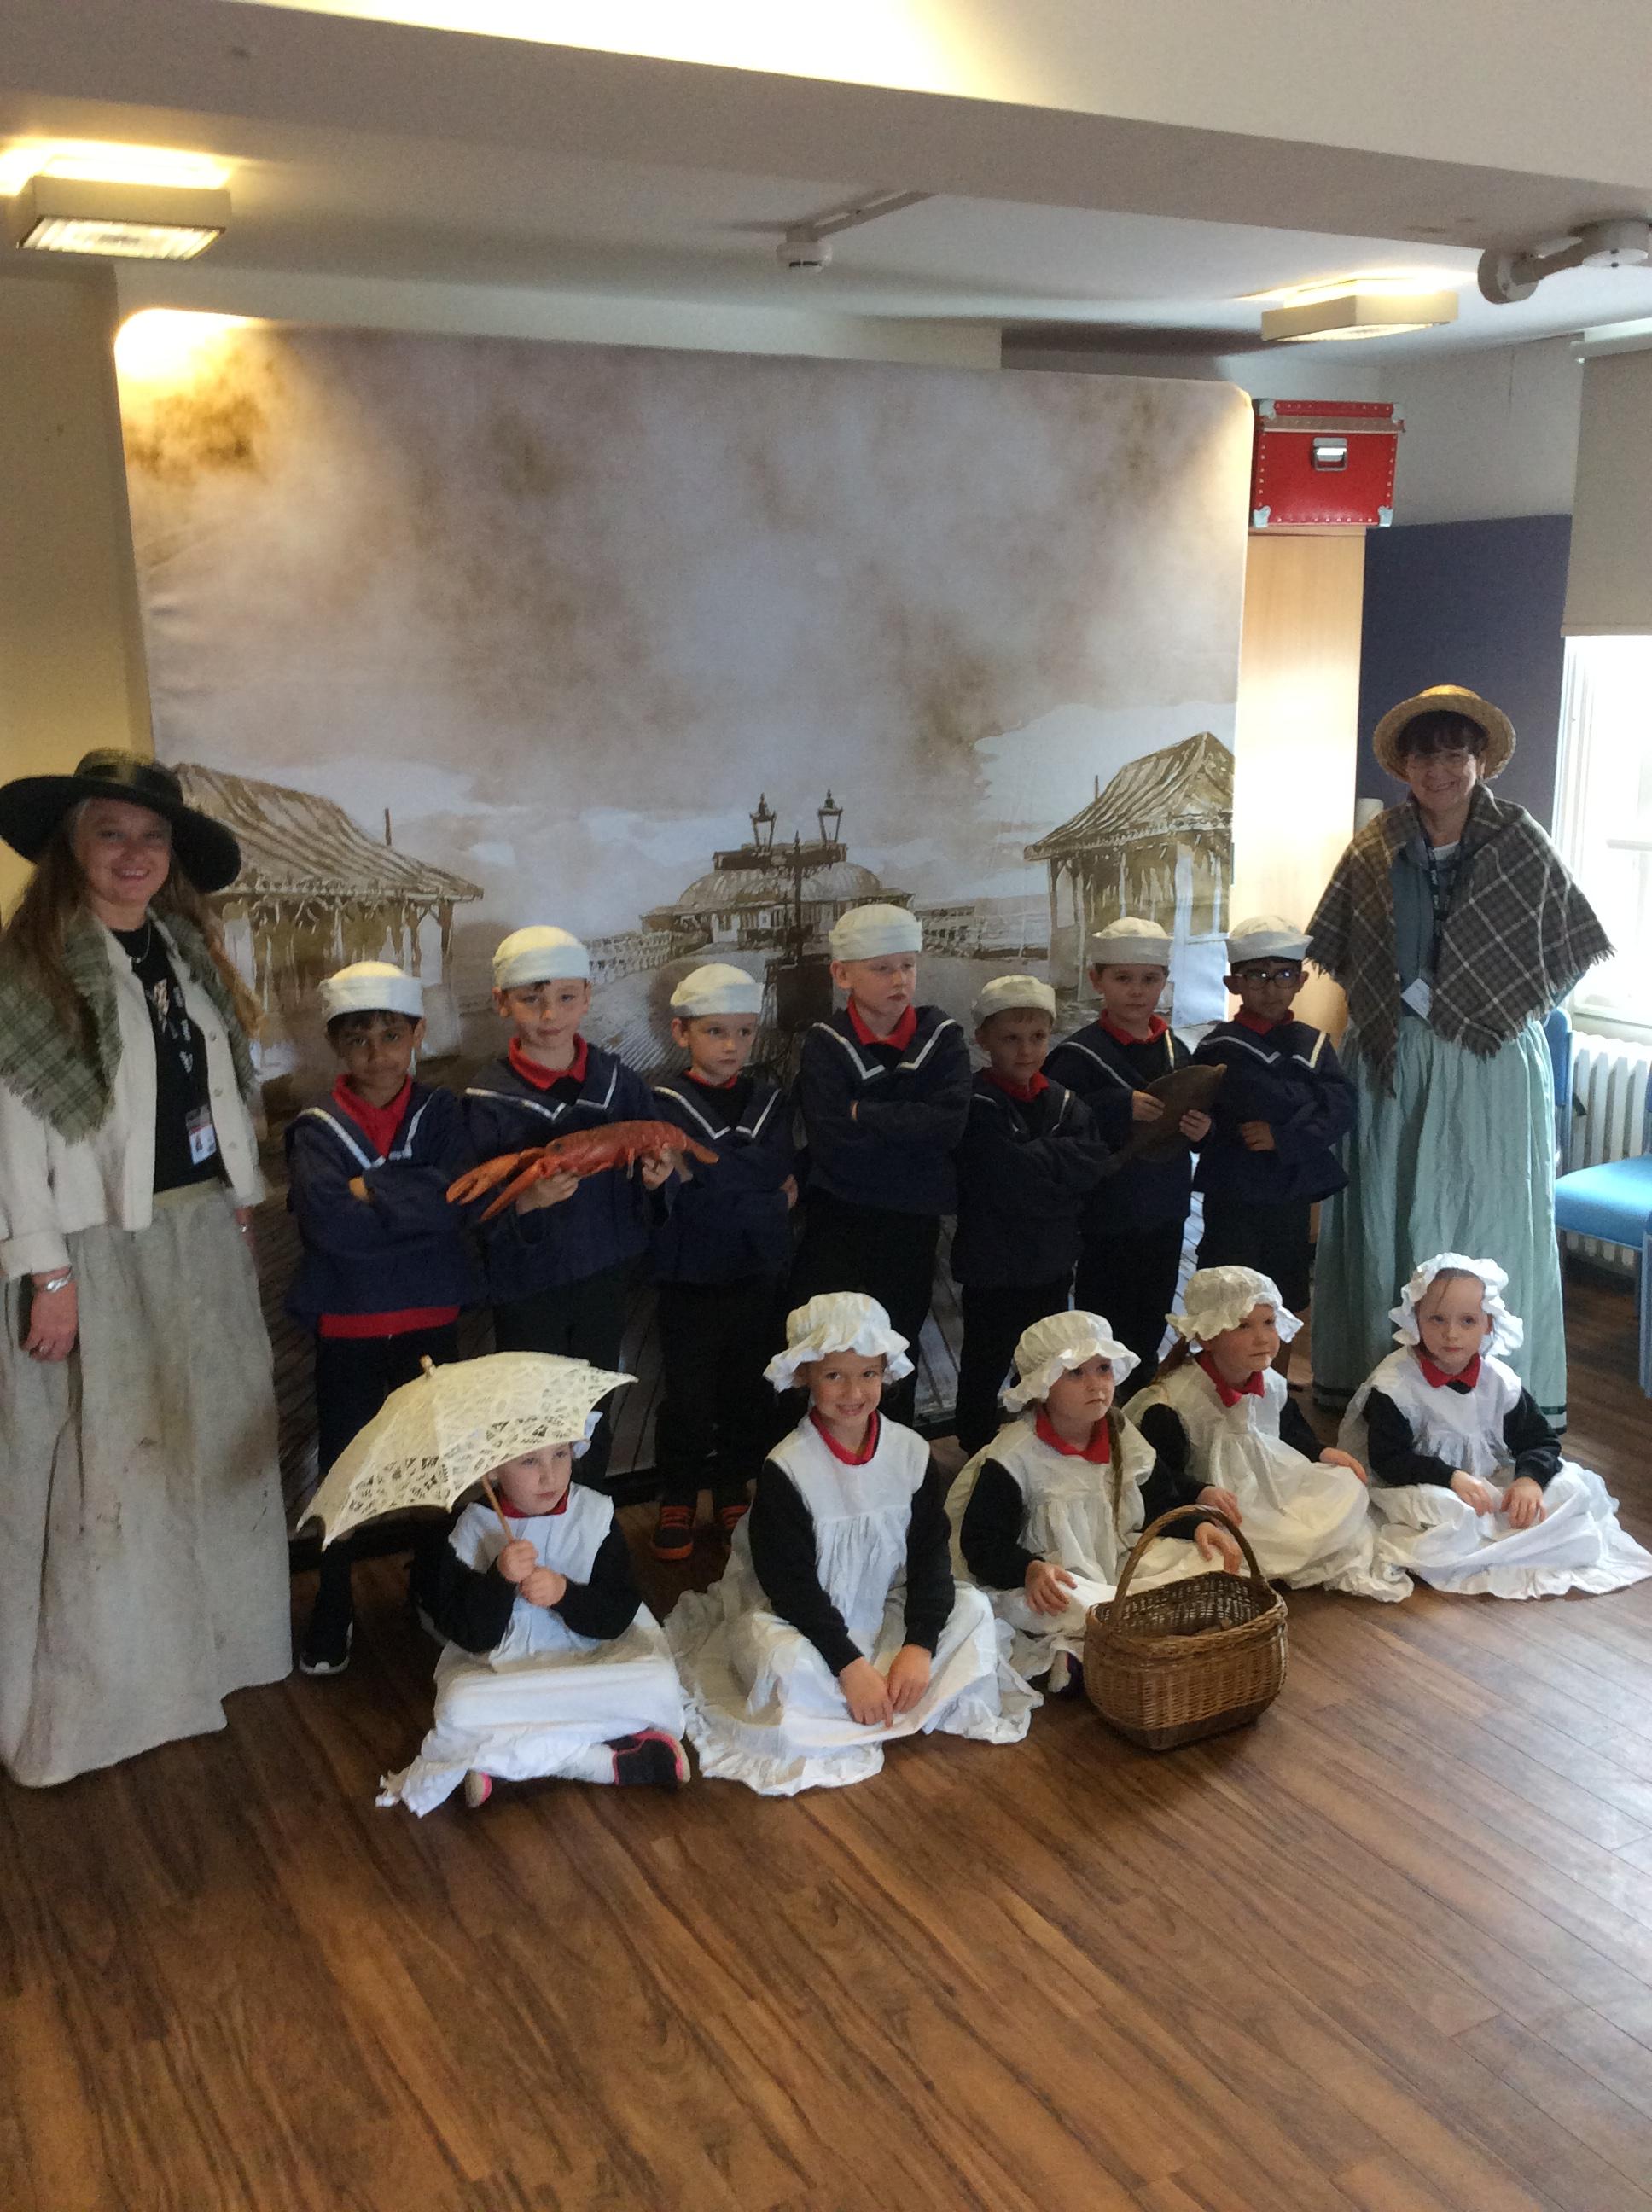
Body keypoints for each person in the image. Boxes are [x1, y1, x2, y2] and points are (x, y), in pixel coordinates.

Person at [0, 748, 289, 1786]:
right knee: (110, 1468)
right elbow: (13, 1143)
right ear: (71, 847)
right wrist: (48, 1274)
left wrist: (239, 1207)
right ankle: (105, 1702)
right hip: (97, 1250)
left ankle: (210, 1660)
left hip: (197, 1234)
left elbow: (215, 1100)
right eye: (110, 833)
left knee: (202, 1451)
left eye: (152, 837)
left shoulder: (183, 956)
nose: (134, 854)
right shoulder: (32, 975)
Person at [1307, 686, 1609, 1423]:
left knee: (1485, 1208)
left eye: (1454, 755)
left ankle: (1496, 1393)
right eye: (1423, 757)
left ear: (1480, 760)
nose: (1438, 771)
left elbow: (1568, 947)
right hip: (1393, 1054)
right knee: (1387, 1205)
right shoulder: (1376, 843)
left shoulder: (1519, 840)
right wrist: (1401, 1002)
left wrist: (1501, 1007)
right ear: (1403, 765)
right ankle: (1381, 1388)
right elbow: (1346, 945)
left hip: (1489, 1061)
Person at [666, 1294, 1034, 1795]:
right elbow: (790, 1586)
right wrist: (848, 1665)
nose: (854, 1392)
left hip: (886, 1604)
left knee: (972, 1609)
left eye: (868, 1374)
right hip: (807, 1622)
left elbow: (930, 1556)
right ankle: (871, 1696)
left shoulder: (911, 1453)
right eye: (835, 1376)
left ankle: (881, 1694)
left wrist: (919, 1645)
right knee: (783, 1660)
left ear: (886, 1373)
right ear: (805, 1375)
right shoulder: (787, 1467)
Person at [286, 960, 482, 1674]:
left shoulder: (442, 1112)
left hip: (430, 1314)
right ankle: (334, 1599)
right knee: (348, 1468)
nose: (377, 1053)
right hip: (350, 1322)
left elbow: (457, 1198)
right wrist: (410, 1202)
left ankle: (430, 1579)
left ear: (417, 1034)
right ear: (336, 1044)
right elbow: (328, 1226)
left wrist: (371, 1191)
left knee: (435, 1461)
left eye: (392, 1035)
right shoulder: (316, 1127)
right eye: (359, 1039)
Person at [376, 1369, 688, 1815]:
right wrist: (499, 1580)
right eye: (529, 1461)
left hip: (593, 1661)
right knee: (460, 1706)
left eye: (560, 1454)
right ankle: (604, 1760)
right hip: (507, 1672)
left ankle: (501, 1759)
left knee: (658, 1682)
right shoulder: (472, 1530)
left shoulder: (595, 1515)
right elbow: (471, 1635)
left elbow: (617, 1613)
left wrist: (565, 1594)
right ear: (493, 1469)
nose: (550, 1475)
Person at [462, 925, 673, 1484]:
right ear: (502, 1002)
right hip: (529, 1286)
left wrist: (657, 1177)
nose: (550, 1014)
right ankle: (536, 1521)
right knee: (531, 1414)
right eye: (530, 999)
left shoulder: (619, 1082)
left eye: (565, 997)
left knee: (594, 1404)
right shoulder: (486, 1097)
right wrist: (527, 1201)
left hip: (605, 1273)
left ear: (586, 997)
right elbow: (471, 1207)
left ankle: (591, 1513)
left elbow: (657, 1157)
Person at [948, 1310, 1242, 1691]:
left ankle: (1110, 1642)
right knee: (1075, 1605)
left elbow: (1158, 1499)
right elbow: (982, 1543)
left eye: (1103, 1369)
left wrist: (1195, 1524)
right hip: (1056, 1579)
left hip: (1117, 1559)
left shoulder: (1119, 1431)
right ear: (1042, 1384)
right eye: (1076, 1373)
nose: (1096, 1385)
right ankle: (1094, 1646)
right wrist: (1029, 1569)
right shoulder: (1014, 1456)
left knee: (1211, 1559)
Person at [1340, 1254, 1652, 1599]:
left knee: (1570, 1488)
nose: (1451, 1334)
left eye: (1468, 1321)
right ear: (1415, 1319)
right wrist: (1450, 1477)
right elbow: (1389, 1460)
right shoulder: (1395, 1386)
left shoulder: (1499, 1381)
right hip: (1422, 1482)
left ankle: (1504, 1540)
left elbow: (1541, 1440)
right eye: (1437, 1319)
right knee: (1452, 1514)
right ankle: (1504, 1543)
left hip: (1487, 1479)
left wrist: (1529, 1480)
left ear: (1489, 1324)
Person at [790, 905, 971, 1426]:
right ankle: (822, 1452)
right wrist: (911, 1140)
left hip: (910, 1225)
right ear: (842, 974)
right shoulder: (825, 1043)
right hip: (841, 1219)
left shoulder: (942, 1036)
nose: (899, 980)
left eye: (908, 965)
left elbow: (949, 1127)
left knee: (898, 1342)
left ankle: (894, 1449)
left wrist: (865, 1112)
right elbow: (832, 1143)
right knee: (829, 1342)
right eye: (882, 968)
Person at [1130, 1267, 1410, 1601]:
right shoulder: (1173, 1404)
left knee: (1346, 1484)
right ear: (1208, 1336)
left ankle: (1283, 1549)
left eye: (1269, 1323)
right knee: (1214, 1546)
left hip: (1270, 1486)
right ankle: (1274, 1552)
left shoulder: (1272, 1383)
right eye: (1244, 1326)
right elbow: (1159, 1478)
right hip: (1219, 1506)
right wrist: (1200, 1491)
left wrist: (1321, 1452)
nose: (1263, 1338)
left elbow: (1289, 1430)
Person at [648, 962, 797, 1562]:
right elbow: (762, 1185)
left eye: (743, 1031)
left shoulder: (770, 1099)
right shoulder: (661, 1103)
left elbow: (780, 1173)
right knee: (687, 1395)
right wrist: (760, 1194)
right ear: (681, 1032)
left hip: (756, 1271)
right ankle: (679, 1492)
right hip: (688, 1276)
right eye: (715, 1031)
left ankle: (734, 1482)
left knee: (748, 1387)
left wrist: (701, 1174)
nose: (732, 1045)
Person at [1044, 917, 1211, 1386]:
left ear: (1164, 982)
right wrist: (1118, 1106)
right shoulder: (1077, 1056)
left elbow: (1200, 1107)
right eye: (1123, 978)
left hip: (1166, 1205)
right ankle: (1099, 1401)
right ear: (1097, 980)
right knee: (1103, 1314)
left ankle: (1140, 1396)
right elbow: (1056, 1121)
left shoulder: (1177, 1050)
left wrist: (1202, 1130)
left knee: (1153, 1307)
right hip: (1106, 1209)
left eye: (1149, 979)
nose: (1137, 991)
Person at [949, 975, 1108, 1456]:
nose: (1025, 1050)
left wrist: (1034, 1164)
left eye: (1037, 1037)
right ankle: (977, 1447)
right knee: (986, 1360)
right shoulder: (974, 1104)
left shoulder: (1065, 1102)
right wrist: (1055, 1166)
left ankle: (1038, 1444)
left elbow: (1092, 1166)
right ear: (984, 1039)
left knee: (1045, 1359)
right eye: (1011, 1038)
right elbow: (999, 1177)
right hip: (992, 1263)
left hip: (1051, 1261)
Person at [1192, 915, 1355, 1330]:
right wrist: (1207, 1132)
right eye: (1256, 976)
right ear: (1234, 984)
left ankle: (1274, 1373)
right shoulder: (1217, 1048)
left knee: (1283, 1301)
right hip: (1234, 1189)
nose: (1270, 988)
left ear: (1300, 981)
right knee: (1229, 1297)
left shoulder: (1314, 1044)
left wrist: (1283, 1136)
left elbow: (1339, 1108)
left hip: (1289, 1190)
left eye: (1283, 975)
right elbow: (1201, 1112)